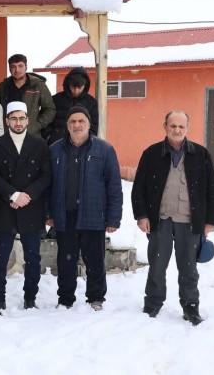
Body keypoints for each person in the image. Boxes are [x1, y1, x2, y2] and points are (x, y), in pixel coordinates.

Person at [132, 110, 214, 325]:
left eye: (181, 126)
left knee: (188, 267)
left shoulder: (200, 154)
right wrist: (142, 215)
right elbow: (139, 188)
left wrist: (211, 220)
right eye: (173, 126)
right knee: (157, 266)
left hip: (189, 222)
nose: (177, 130)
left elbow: (212, 189)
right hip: (159, 220)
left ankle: (190, 306)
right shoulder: (151, 153)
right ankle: (153, 303)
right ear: (165, 127)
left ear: (187, 128)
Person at [47, 106, 122, 311]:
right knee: (65, 261)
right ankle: (65, 298)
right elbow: (48, 184)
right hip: (65, 216)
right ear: (67, 125)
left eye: (81, 121)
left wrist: (113, 218)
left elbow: (114, 186)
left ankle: (96, 298)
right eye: (73, 121)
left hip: (93, 216)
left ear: (89, 124)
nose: (77, 125)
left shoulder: (104, 150)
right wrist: (49, 213)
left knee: (95, 261)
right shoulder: (55, 149)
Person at [0, 102, 51, 313]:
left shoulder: (40, 145)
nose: (18, 122)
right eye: (13, 118)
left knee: (33, 258)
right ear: (7, 121)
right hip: (6, 207)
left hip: (31, 208)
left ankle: (30, 298)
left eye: (21, 118)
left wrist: (27, 195)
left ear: (27, 120)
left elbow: (46, 175)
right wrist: (13, 194)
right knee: (1, 258)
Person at [0, 54, 55, 139]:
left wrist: (36, 125)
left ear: (26, 67)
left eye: (20, 66)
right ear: (9, 69)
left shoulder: (38, 86)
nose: (17, 70)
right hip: (7, 137)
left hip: (31, 137)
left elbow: (50, 109)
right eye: (13, 67)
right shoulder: (2, 87)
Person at [47, 67, 98, 145]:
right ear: (68, 84)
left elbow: (94, 125)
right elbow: (47, 119)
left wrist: (88, 141)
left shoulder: (91, 102)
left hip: (82, 145)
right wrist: (49, 136)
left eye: (79, 88)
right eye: (73, 87)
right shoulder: (56, 99)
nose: (76, 91)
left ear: (85, 85)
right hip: (57, 144)